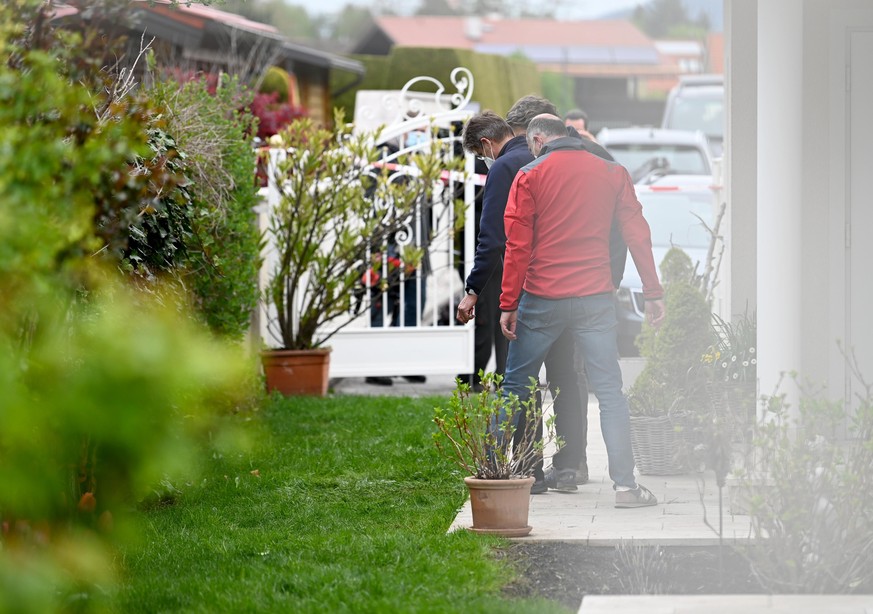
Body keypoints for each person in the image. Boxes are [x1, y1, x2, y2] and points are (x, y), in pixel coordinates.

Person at [498, 114, 665, 508]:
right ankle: (626, 487)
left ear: (537, 140)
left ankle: (490, 472)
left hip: (542, 297)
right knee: (609, 392)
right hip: (594, 298)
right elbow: (637, 235)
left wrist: (508, 303)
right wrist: (653, 292)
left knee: (517, 384)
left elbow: (517, 246)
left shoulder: (529, 175)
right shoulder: (612, 172)